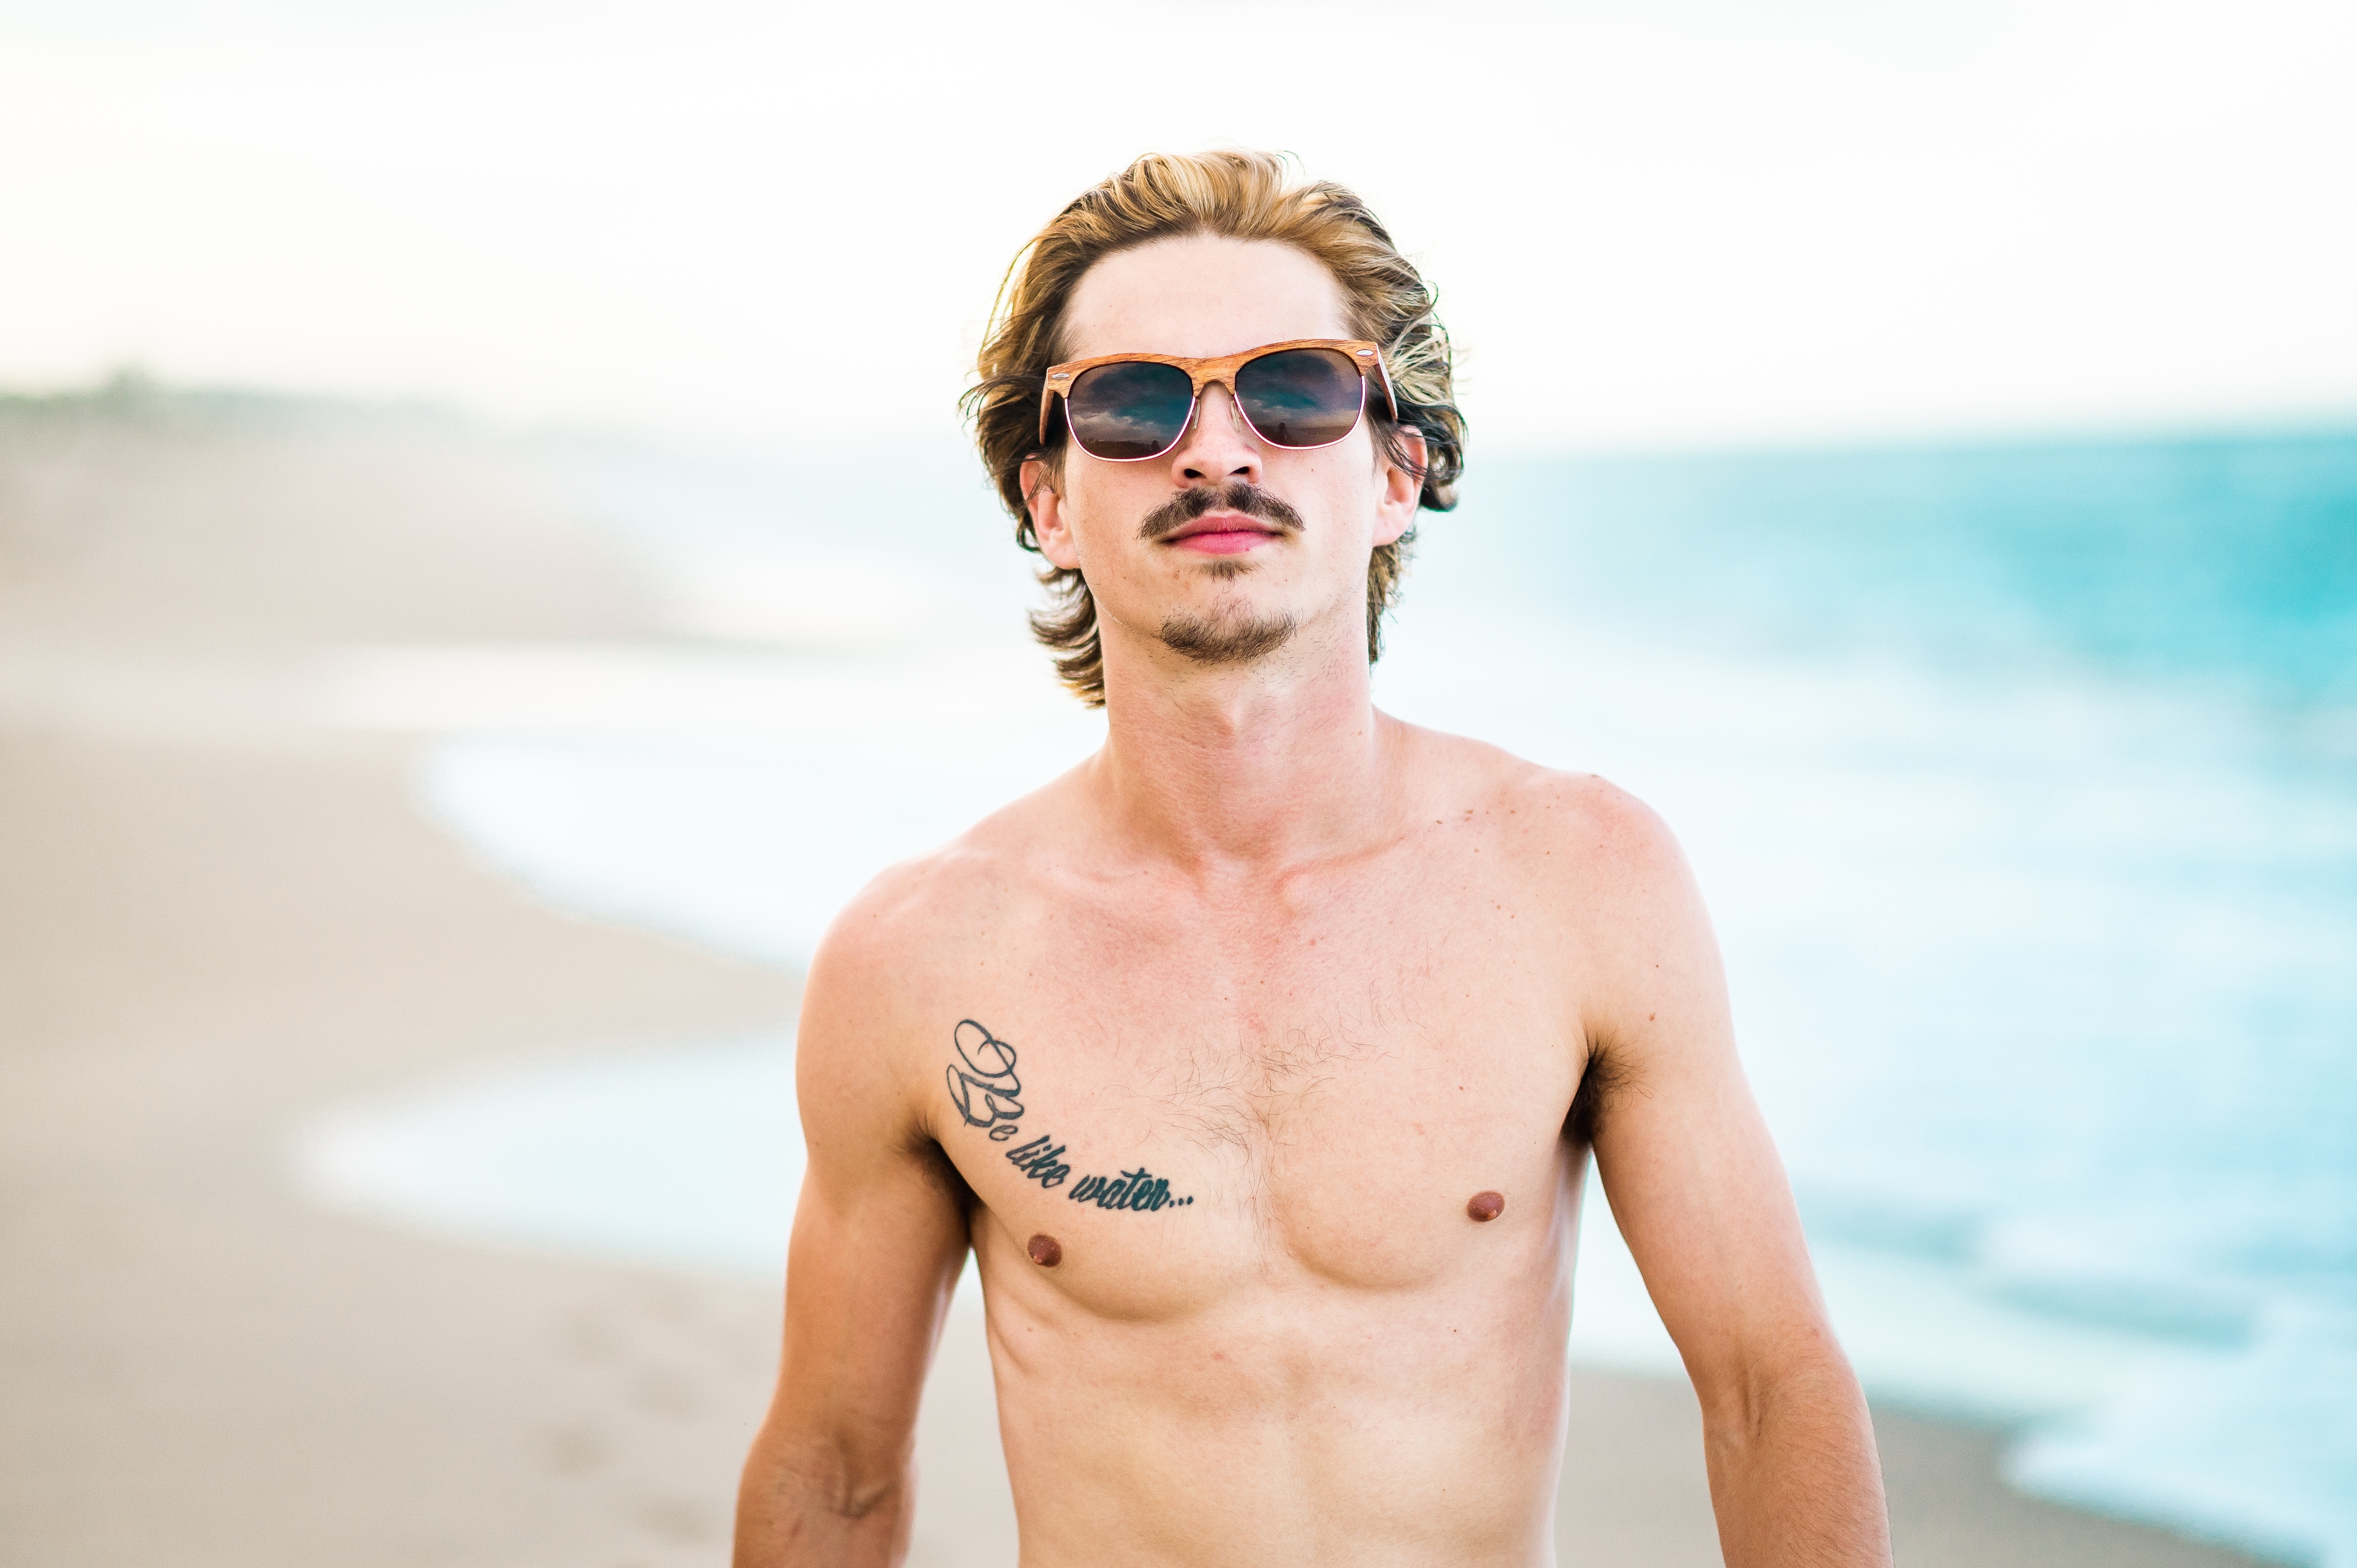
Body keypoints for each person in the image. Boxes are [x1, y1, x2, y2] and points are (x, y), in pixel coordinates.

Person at [734, 150, 1891, 1568]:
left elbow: (1773, 1389)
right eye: (1134, 404)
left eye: (1292, 394)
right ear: (1047, 501)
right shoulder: (921, 959)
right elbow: (835, 1471)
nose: (1218, 452)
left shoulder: (1579, 880)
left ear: (1396, 471)